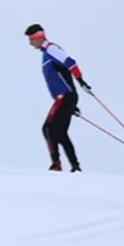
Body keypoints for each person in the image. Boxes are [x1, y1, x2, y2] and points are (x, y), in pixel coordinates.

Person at [25, 23, 88, 172]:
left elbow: (70, 63)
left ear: (38, 37)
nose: (30, 43)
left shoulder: (51, 49)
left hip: (65, 96)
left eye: (31, 39)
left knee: (48, 128)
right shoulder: (46, 53)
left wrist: (81, 81)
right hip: (66, 97)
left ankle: (56, 164)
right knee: (60, 132)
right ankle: (75, 167)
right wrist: (72, 102)